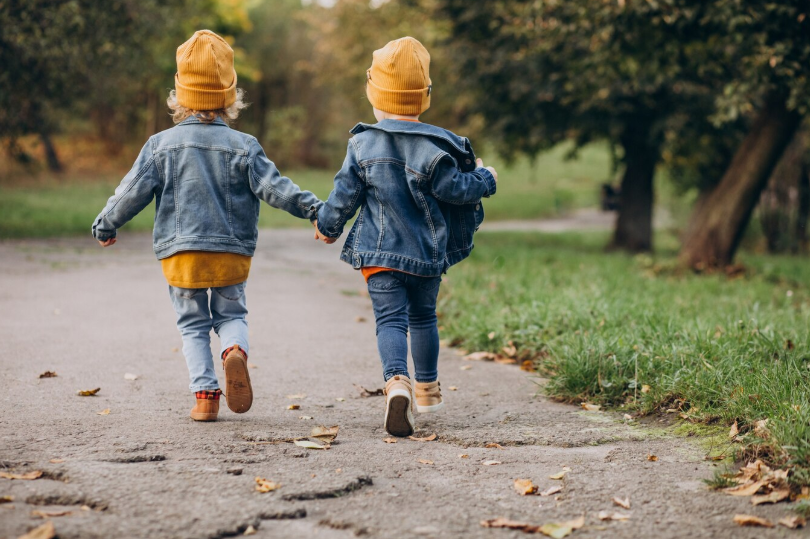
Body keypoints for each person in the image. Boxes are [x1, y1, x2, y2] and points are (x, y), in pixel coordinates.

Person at [91, 30, 322, 422]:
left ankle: (206, 398)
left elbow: (130, 192)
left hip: (182, 256)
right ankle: (234, 351)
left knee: (193, 325)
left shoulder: (159, 145)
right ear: (231, 97)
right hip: (231, 254)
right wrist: (315, 209)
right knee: (232, 315)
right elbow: (276, 190)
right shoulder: (245, 146)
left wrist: (106, 224)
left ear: (178, 95)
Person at [314, 37, 498, 437]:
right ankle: (428, 389)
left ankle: (397, 382)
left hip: (379, 257)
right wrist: (486, 178)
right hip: (427, 256)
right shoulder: (437, 147)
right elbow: (456, 190)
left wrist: (327, 226)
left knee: (390, 321)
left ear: (372, 94)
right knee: (423, 317)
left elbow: (344, 195)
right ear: (425, 96)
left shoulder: (361, 144)